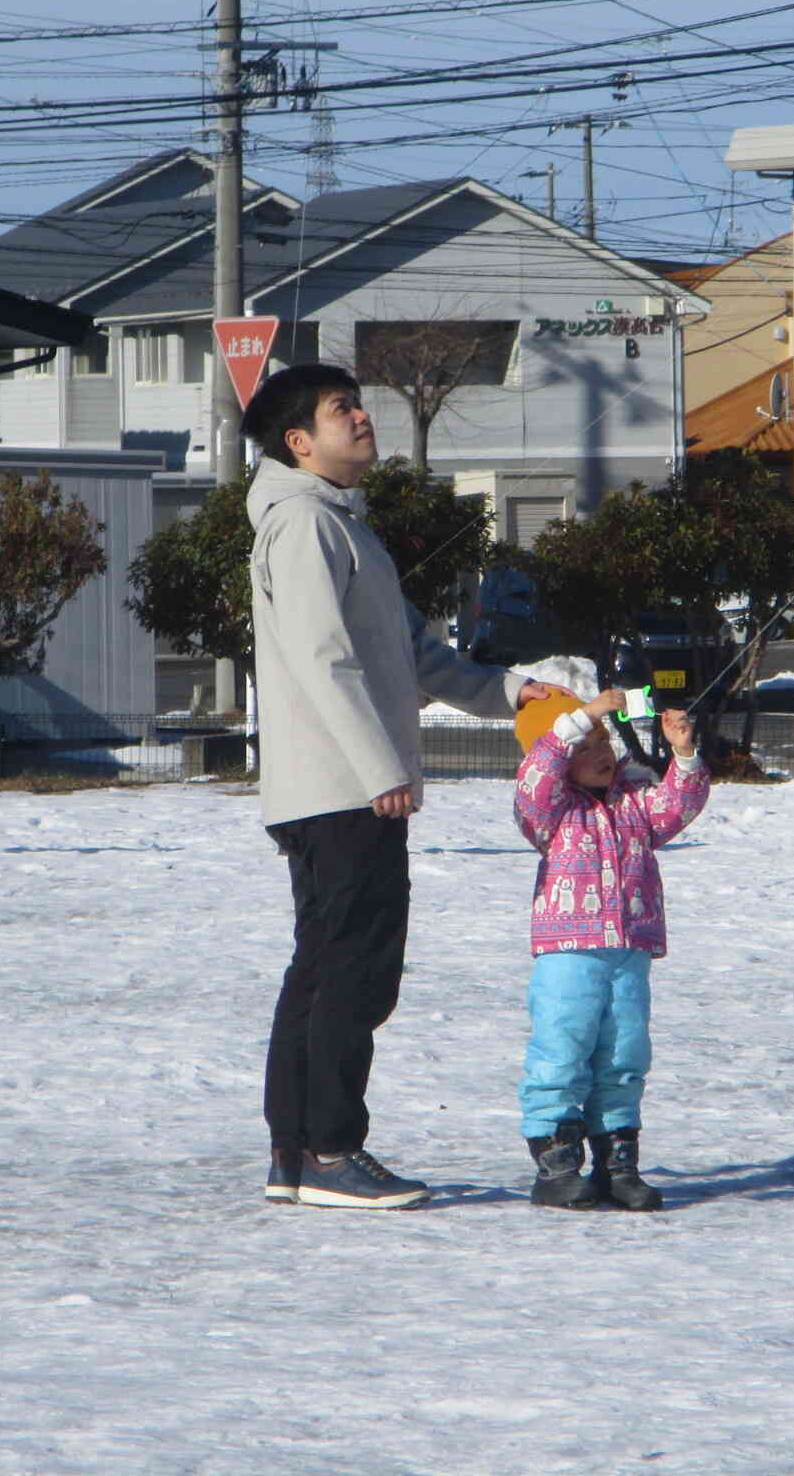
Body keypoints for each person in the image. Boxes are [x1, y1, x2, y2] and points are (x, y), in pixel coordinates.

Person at [243, 362, 551, 1211]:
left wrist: (507, 693)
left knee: (327, 968)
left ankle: (297, 1152)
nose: (362, 417)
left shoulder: (346, 526)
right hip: (341, 788)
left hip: (345, 787)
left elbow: (417, 655)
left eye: (359, 404)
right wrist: (380, 768)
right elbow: (322, 661)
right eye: (343, 409)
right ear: (299, 442)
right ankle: (331, 1151)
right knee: (353, 972)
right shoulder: (304, 525)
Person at [512, 686, 710, 1210]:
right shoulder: (548, 811)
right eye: (583, 745)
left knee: (624, 1053)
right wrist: (586, 714)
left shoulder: (633, 801)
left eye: (603, 741)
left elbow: (678, 806)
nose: (599, 752)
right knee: (563, 1049)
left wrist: (683, 753)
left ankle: (616, 1162)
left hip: (629, 949)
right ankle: (556, 1164)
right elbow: (538, 772)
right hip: (568, 951)